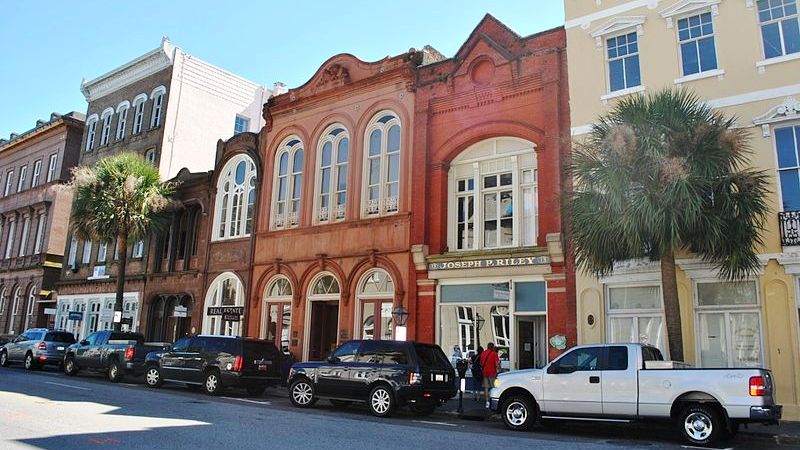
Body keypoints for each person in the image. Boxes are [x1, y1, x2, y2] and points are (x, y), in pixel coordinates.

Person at [479, 342, 500, 408]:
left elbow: (481, 363)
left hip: (485, 373)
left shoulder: (483, 353)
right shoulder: (494, 353)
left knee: (486, 388)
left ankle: (487, 402)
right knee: (494, 387)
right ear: (492, 347)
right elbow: (497, 363)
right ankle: (493, 401)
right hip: (492, 373)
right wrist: (499, 370)